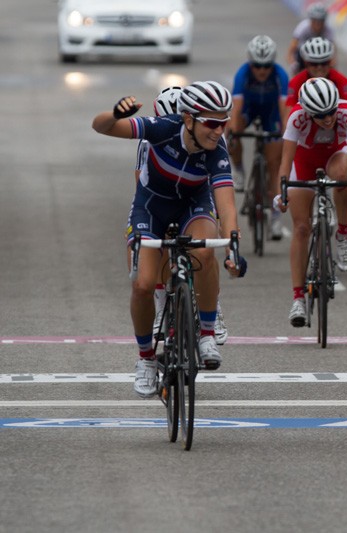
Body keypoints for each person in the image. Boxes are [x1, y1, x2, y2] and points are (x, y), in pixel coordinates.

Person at [92, 81, 245, 398]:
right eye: (211, 123)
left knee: (206, 252)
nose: (219, 131)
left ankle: (205, 334)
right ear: (188, 119)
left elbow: (227, 204)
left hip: (194, 205)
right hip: (151, 208)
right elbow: (101, 127)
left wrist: (233, 244)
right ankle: (146, 359)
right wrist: (114, 114)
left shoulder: (217, 148)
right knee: (144, 284)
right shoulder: (162, 129)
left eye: (223, 123)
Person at [141, 86, 230, 345]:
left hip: (196, 199)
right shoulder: (149, 142)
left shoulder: (211, 141)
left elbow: (220, 188)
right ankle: (160, 308)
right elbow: (141, 182)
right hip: (163, 198)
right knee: (160, 242)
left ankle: (214, 309)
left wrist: (225, 232)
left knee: (204, 249)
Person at [275, 77, 347, 326]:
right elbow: (285, 161)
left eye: (330, 113)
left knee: (340, 177)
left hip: (337, 154)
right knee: (302, 227)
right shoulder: (296, 117)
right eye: (320, 115)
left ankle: (343, 235)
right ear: (307, 112)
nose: (328, 119)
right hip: (304, 160)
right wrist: (281, 192)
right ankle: (298, 298)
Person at [229, 35, 290, 240]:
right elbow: (236, 109)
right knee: (231, 129)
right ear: (250, 63)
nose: (262, 70)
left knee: (274, 165)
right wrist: (235, 134)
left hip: (271, 114)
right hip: (249, 109)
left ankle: (274, 218)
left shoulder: (280, 75)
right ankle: (238, 169)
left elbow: (284, 109)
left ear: (272, 63)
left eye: (266, 66)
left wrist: (285, 133)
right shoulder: (242, 74)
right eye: (257, 65)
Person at [286, 37, 347, 109]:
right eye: (314, 63)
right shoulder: (295, 82)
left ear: (330, 62)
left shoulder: (342, 81)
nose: (319, 68)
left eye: (324, 63)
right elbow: (289, 111)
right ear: (306, 63)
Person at [286, 2, 336, 76]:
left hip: (321, 55)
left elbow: (333, 52)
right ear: (311, 20)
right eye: (315, 21)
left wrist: (332, 66)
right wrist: (293, 63)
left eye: (321, 21)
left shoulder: (328, 30)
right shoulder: (302, 28)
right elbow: (291, 49)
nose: (318, 24)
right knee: (297, 69)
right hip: (302, 55)